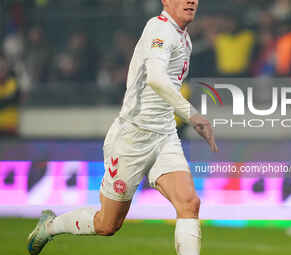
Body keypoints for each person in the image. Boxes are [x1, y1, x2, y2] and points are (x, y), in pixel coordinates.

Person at [27, 1, 218, 255]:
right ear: (166, 1)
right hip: (133, 136)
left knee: (189, 203)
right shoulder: (159, 30)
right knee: (107, 224)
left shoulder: (185, 38)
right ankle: (49, 227)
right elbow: (157, 78)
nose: (191, 1)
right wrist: (194, 116)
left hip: (164, 135)